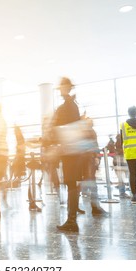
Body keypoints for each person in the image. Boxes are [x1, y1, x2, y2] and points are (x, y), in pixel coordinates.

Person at [52, 76, 84, 232]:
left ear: (67, 88)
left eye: (62, 88)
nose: (61, 91)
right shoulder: (71, 105)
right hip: (72, 150)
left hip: (69, 150)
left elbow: (65, 128)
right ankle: (71, 220)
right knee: (71, 183)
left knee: (71, 183)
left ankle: (72, 221)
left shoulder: (68, 106)